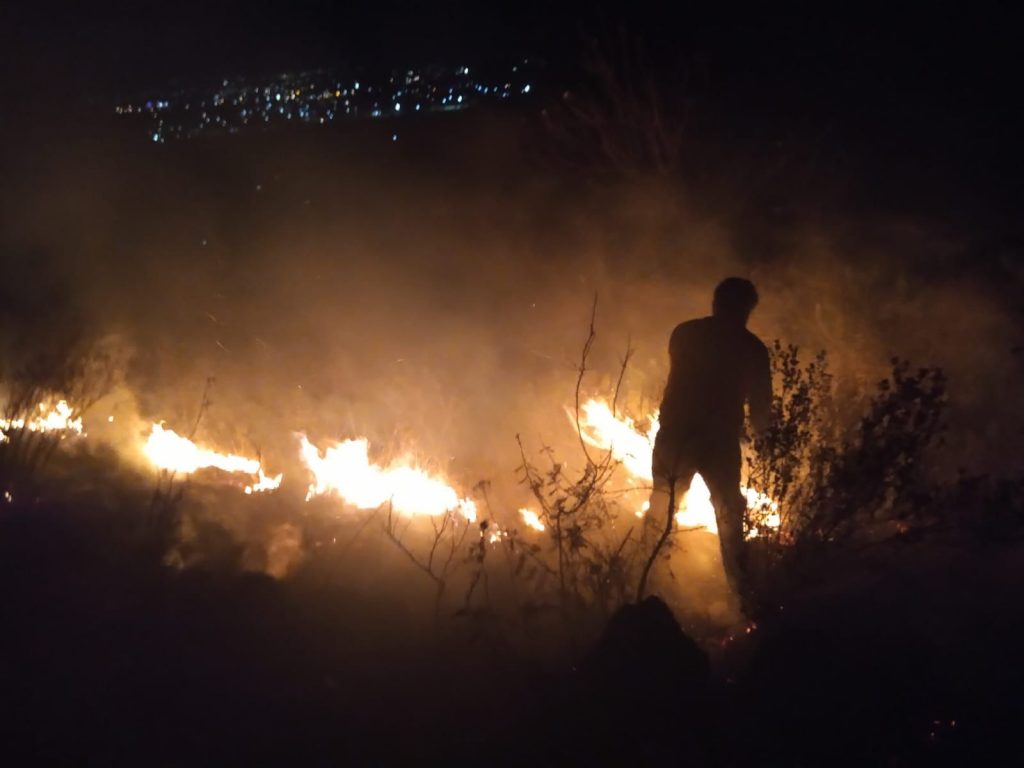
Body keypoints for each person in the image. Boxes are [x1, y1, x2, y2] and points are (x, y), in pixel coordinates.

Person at [650, 277, 772, 612]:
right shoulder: (752, 349)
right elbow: (761, 408)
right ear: (747, 310)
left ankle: (644, 584)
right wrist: (767, 445)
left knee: (662, 508)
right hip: (717, 441)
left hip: (677, 435)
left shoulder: (686, 333)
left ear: (715, 302)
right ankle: (745, 597)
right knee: (730, 514)